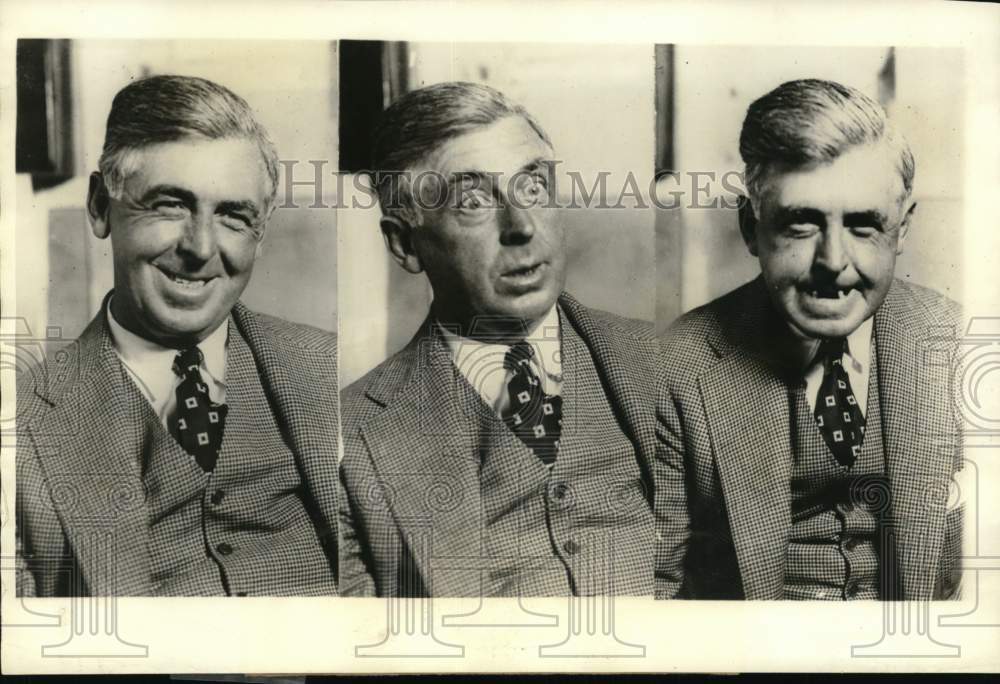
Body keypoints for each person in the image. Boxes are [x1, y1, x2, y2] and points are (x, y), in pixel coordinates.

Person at [16, 75, 340, 597]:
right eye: (170, 204)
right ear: (101, 206)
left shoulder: (331, 369)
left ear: (262, 232)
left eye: (234, 215)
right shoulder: (22, 425)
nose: (200, 247)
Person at [339, 81, 663, 598]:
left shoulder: (664, 364)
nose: (521, 226)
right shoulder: (345, 439)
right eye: (472, 200)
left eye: (533, 187)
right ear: (405, 244)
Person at [656, 78, 963, 600]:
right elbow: (654, 591)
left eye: (864, 225)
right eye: (801, 224)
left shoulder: (957, 346)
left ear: (903, 230)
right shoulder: (675, 368)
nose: (833, 263)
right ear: (751, 227)